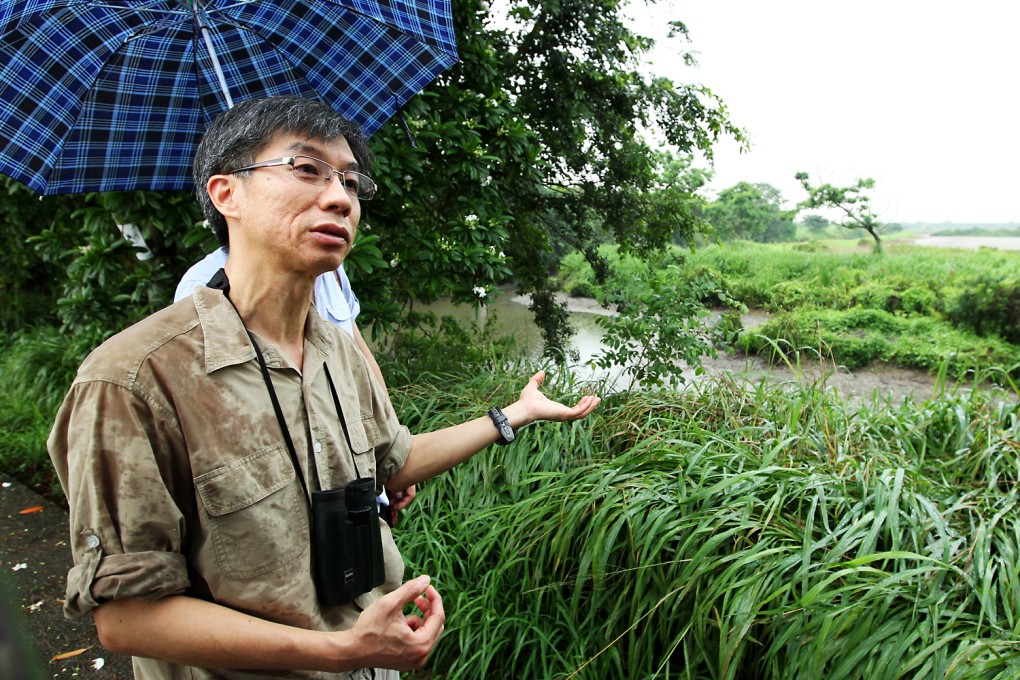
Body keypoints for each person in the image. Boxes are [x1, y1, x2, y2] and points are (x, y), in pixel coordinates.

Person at [47, 95, 600, 679]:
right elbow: (127, 618)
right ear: (225, 194)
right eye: (306, 170)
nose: (339, 197)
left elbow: (397, 461)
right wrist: (341, 651)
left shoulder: (341, 351)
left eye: (351, 182)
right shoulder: (134, 379)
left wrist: (516, 412)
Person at [175, 253, 416, 525]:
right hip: (286, 518)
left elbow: (361, 356)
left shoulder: (331, 273)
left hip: (360, 495)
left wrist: (393, 446)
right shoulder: (202, 286)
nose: (340, 209)